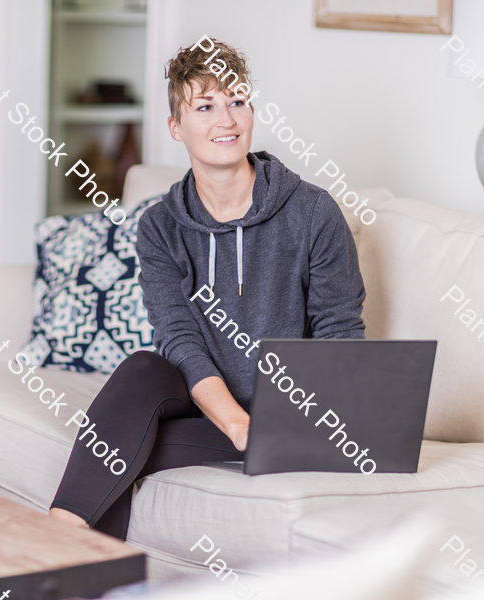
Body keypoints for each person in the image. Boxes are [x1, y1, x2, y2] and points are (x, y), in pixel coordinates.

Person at [49, 38, 365, 540]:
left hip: (286, 415)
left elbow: (340, 333)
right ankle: (61, 541)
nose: (228, 119)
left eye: (237, 101)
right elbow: (180, 339)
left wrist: (299, 422)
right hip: (208, 409)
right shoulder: (160, 225)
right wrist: (238, 425)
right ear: (176, 127)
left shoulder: (312, 212)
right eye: (206, 106)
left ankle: (65, 558)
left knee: (116, 446)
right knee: (144, 368)